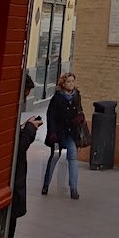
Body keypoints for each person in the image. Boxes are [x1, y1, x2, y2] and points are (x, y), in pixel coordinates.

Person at [0, 72, 42, 238]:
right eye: (25, 95)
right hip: (9, 193)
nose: (25, 101)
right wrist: (27, 130)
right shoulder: (7, 111)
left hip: (10, 193)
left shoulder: (8, 111)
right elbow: (15, 148)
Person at [41, 72, 84, 200]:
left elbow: (80, 110)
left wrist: (80, 118)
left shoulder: (77, 96)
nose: (71, 84)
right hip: (58, 133)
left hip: (71, 132)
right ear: (63, 84)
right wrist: (52, 132)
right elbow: (51, 115)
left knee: (72, 157)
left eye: (73, 81)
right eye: (68, 82)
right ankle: (46, 184)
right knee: (54, 156)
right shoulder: (57, 97)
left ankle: (74, 188)